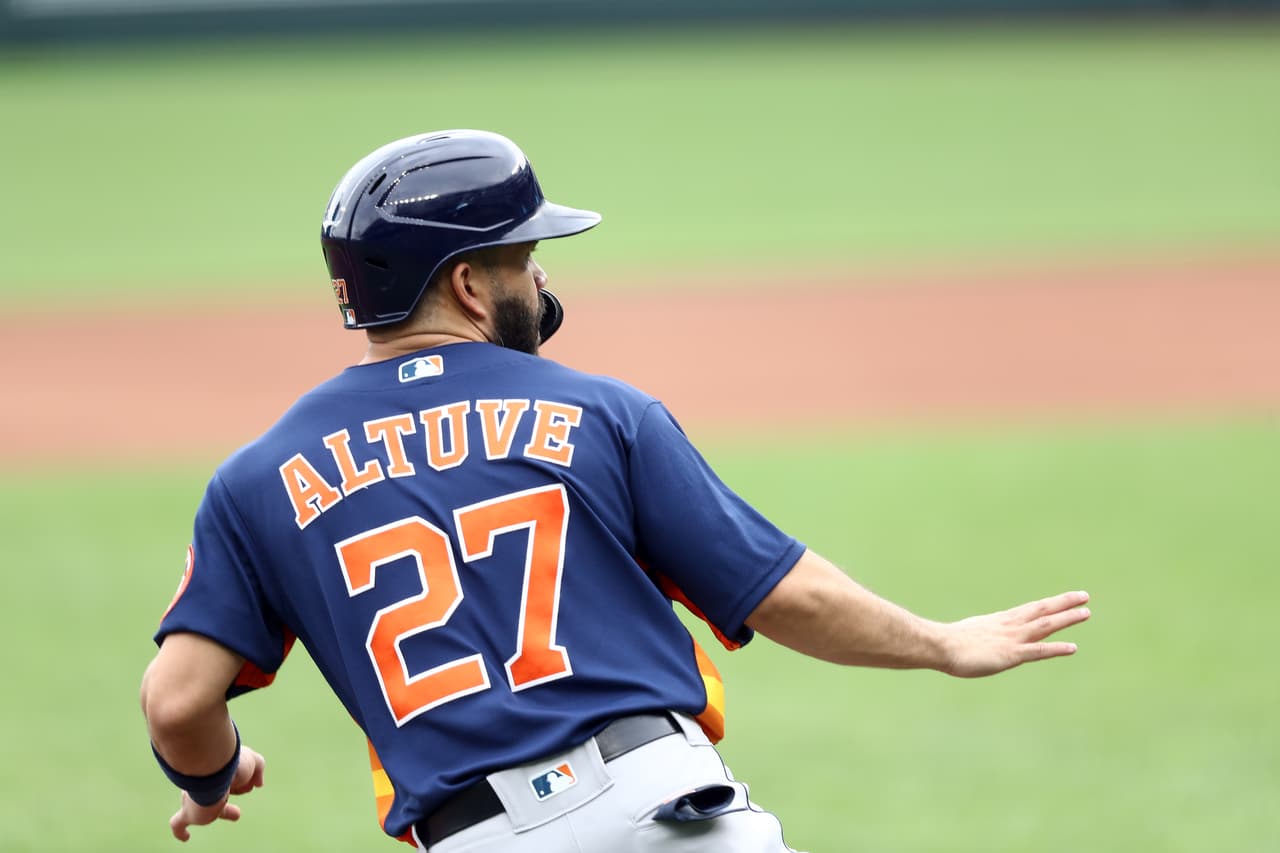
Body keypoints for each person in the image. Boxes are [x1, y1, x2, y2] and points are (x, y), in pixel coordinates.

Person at [140, 129, 1090, 852]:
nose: (539, 275)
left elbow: (177, 703)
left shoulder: (254, 479)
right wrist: (941, 643)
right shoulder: (599, 410)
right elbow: (781, 592)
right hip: (662, 807)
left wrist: (214, 776)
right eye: (521, 257)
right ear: (467, 283)